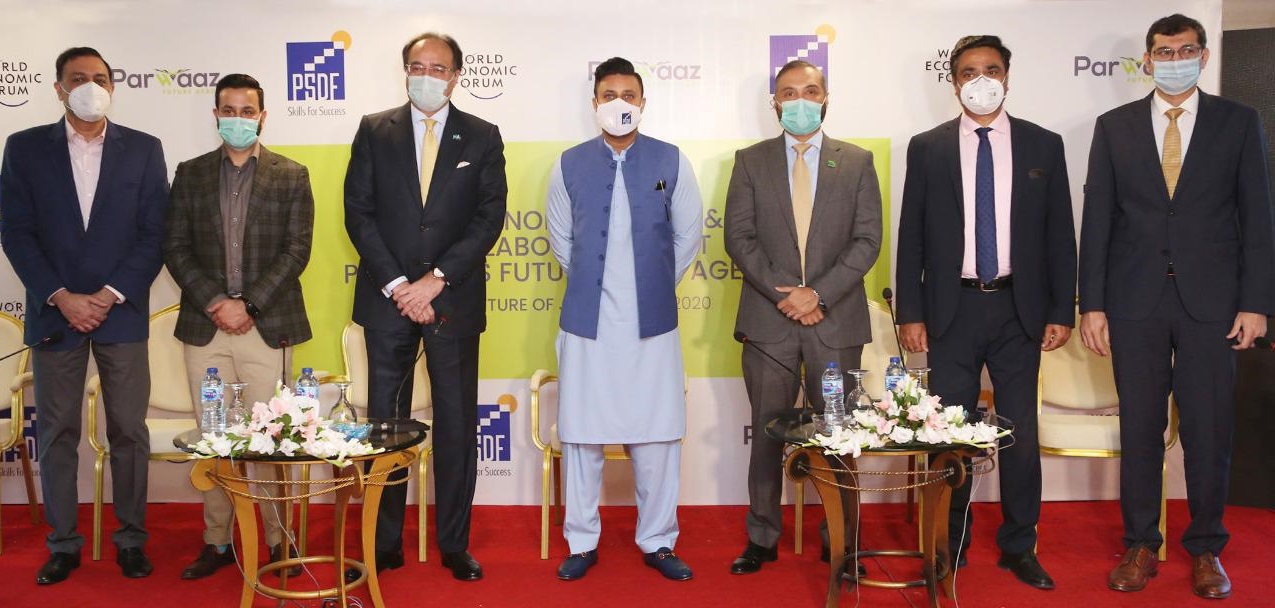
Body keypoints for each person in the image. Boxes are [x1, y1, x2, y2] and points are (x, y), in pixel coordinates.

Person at [1079, 14, 1274, 600]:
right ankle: (1141, 544)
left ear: (1204, 56)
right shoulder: (1114, 126)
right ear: (1147, 60)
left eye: (1186, 50)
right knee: (1139, 428)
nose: (1175, 60)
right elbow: (1098, 220)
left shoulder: (1238, 122)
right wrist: (1093, 305)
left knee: (1209, 431)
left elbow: (1257, 218)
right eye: (1163, 52)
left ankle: (1207, 548)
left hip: (1212, 305)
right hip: (1134, 301)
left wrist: (1256, 303)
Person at [895, 35, 1075, 590]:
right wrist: (910, 311)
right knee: (950, 435)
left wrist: (1060, 309)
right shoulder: (927, 147)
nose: (981, 80)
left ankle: (1020, 545)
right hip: (952, 310)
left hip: (1021, 310)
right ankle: (950, 543)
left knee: (1018, 435)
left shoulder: (1044, 145)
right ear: (953, 82)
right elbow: (911, 235)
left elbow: (1060, 234)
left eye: (991, 70)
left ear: (1007, 77)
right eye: (969, 71)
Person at [0, 46, 167, 584]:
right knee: (57, 432)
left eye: (100, 78)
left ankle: (131, 539)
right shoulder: (24, 148)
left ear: (112, 87)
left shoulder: (143, 149)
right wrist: (60, 295)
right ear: (58, 88)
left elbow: (154, 233)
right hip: (56, 314)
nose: (90, 86)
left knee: (129, 431)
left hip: (121, 311)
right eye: (78, 78)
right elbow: (16, 231)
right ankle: (64, 544)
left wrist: (109, 294)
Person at [343, 31, 506, 582]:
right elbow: (358, 212)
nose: (427, 76)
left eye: (438, 68)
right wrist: (399, 285)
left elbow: (488, 218)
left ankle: (454, 544)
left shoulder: (482, 135)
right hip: (387, 299)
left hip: (452, 298)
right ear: (405, 71)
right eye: (418, 66)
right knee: (386, 425)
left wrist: (434, 280)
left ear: (456, 76)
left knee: (456, 423)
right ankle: (384, 542)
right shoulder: (374, 130)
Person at [546, 57, 703, 582]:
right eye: (609, 95)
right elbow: (561, 240)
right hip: (586, 320)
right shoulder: (568, 164)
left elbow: (688, 236)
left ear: (642, 102)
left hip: (652, 322)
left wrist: (650, 284)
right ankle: (581, 541)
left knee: (657, 435)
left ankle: (658, 541)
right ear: (594, 103)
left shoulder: (671, 160)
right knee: (582, 434)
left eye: (629, 95)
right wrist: (597, 282)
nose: (620, 104)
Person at [724, 60, 883, 575]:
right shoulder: (750, 162)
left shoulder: (856, 162)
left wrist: (818, 295)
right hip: (769, 323)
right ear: (775, 102)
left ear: (825, 99)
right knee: (768, 432)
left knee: (839, 436)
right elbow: (739, 239)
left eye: (810, 91)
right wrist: (787, 296)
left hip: (835, 324)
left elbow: (868, 241)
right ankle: (762, 537)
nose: (799, 100)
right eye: (788, 92)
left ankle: (843, 541)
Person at [163, 73, 315, 580]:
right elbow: (175, 247)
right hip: (206, 327)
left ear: (262, 116)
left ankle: (278, 540)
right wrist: (215, 302)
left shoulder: (291, 175)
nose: (238, 119)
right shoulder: (189, 174)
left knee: (270, 440)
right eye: (228, 110)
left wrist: (247, 304)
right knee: (215, 441)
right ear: (215, 116)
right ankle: (217, 541)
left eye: (247, 111)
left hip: (266, 326)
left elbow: (297, 251)